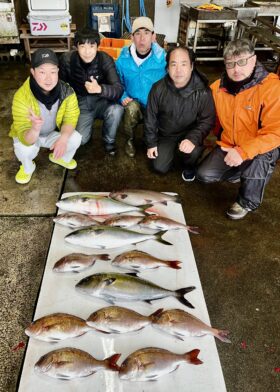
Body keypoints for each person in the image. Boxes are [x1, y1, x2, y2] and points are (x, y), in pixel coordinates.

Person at [196, 39, 280, 220]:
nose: (236, 69)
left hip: (260, 148)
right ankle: (239, 171)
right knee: (204, 175)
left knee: (261, 159)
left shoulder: (272, 87)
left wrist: (242, 152)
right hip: (229, 145)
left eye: (242, 61)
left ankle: (247, 201)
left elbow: (275, 133)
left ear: (254, 59)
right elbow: (212, 121)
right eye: (230, 64)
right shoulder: (217, 88)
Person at [9, 48, 82, 185]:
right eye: (42, 72)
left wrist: (63, 139)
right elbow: (24, 134)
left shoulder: (67, 91)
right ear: (33, 72)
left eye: (53, 72)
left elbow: (71, 117)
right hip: (30, 136)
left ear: (58, 72)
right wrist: (35, 129)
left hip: (51, 133)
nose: (49, 78)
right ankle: (27, 167)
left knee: (75, 138)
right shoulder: (21, 96)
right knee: (24, 149)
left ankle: (61, 158)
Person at [145, 46, 215, 178]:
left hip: (190, 133)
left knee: (192, 153)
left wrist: (193, 138)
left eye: (184, 64)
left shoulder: (203, 91)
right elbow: (150, 118)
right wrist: (151, 143)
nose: (178, 70)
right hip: (167, 135)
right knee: (159, 167)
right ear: (167, 68)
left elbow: (207, 120)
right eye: (173, 64)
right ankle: (172, 153)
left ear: (191, 66)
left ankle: (191, 163)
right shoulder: (157, 88)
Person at [59, 27, 123, 155]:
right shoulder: (67, 60)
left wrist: (100, 89)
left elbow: (118, 89)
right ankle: (86, 128)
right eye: (82, 46)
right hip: (81, 104)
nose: (87, 52)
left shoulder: (105, 59)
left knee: (117, 110)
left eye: (92, 46)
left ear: (97, 47)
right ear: (76, 47)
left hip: (102, 101)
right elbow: (60, 87)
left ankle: (109, 141)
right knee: (81, 140)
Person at [116, 16, 166, 157]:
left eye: (146, 33)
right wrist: (123, 96)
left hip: (155, 104)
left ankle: (151, 138)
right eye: (137, 33)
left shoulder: (163, 58)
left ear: (153, 36)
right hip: (135, 103)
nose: (142, 38)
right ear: (132, 37)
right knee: (131, 109)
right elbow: (116, 81)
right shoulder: (123, 57)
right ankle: (129, 140)